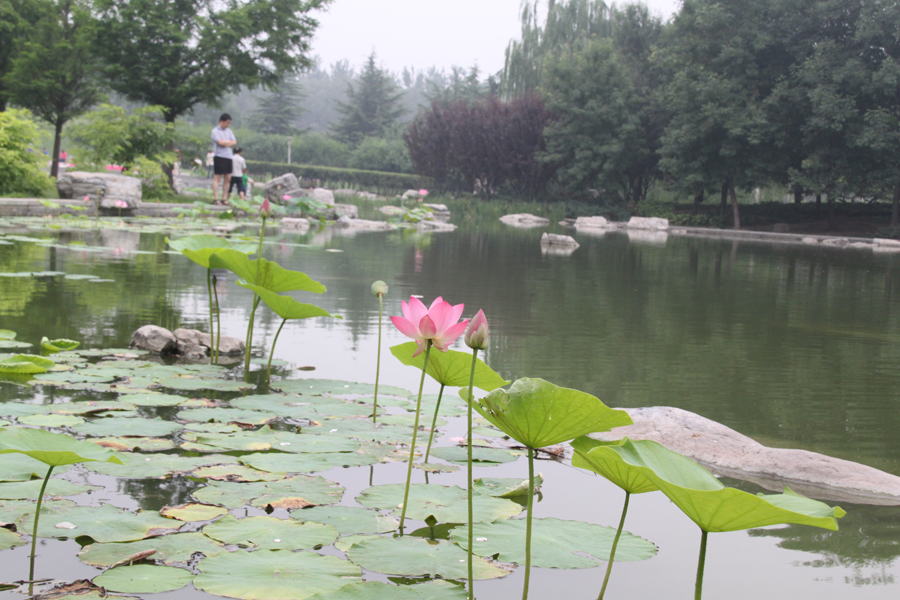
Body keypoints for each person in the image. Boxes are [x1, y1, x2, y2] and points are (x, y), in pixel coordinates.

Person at [210, 114, 236, 205]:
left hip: (228, 156)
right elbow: (220, 143)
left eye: (229, 123)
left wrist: (226, 143)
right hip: (219, 156)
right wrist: (227, 142)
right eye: (227, 123)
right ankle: (216, 198)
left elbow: (234, 142)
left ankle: (224, 198)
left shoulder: (229, 131)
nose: (228, 125)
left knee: (228, 178)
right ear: (222, 121)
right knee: (217, 177)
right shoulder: (215, 131)